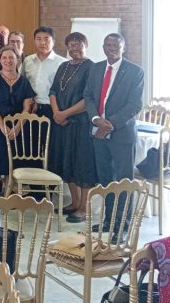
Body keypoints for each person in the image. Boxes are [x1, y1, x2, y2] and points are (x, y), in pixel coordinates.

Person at [84, 33, 144, 232]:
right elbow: (88, 96)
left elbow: (134, 105)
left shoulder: (135, 72)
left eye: (116, 46)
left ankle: (123, 225)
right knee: (106, 180)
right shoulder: (96, 68)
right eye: (108, 45)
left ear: (123, 48)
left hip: (121, 135)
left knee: (124, 181)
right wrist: (96, 120)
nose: (112, 49)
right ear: (103, 47)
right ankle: (108, 221)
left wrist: (109, 124)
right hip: (98, 133)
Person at [49, 32, 95, 223]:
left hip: (81, 124)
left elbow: (89, 99)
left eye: (78, 44)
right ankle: (75, 202)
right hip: (62, 124)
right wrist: (56, 113)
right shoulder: (63, 66)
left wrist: (65, 114)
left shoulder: (91, 67)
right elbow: (53, 91)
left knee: (82, 164)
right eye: (71, 45)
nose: (74, 48)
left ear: (85, 45)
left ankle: (84, 208)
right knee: (66, 162)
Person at [0, 46, 35, 180]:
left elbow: (27, 108)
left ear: (18, 59)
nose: (8, 61)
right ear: (0, 60)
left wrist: (17, 128)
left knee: (13, 165)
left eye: (12, 57)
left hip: (18, 128)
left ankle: (9, 190)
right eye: (4, 58)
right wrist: (2, 127)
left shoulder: (24, 82)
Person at [22, 26, 66, 172]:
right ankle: (34, 183)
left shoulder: (62, 63)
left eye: (46, 39)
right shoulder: (28, 60)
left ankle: (51, 183)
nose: (42, 43)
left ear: (53, 41)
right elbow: (23, 84)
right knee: (32, 148)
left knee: (51, 148)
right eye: (39, 39)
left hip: (51, 110)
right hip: (31, 110)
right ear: (34, 41)